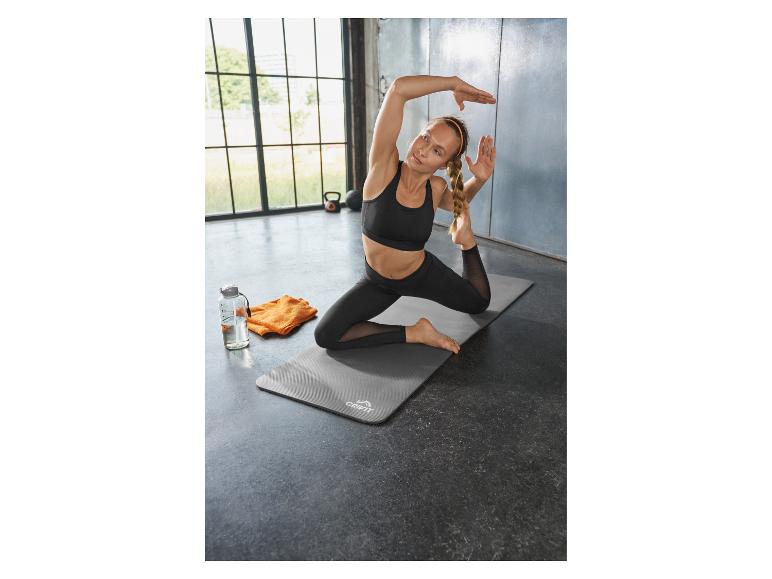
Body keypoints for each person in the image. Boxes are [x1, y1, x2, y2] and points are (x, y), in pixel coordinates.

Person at [314, 74, 497, 354]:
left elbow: (458, 202)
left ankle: (467, 242)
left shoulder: (436, 187)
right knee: (326, 335)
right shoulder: (383, 169)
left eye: (436, 151)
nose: (423, 150)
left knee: (479, 302)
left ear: (444, 164)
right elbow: (398, 90)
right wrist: (451, 83)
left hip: (420, 274)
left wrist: (480, 180)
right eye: (425, 138)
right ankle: (416, 332)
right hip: (378, 282)